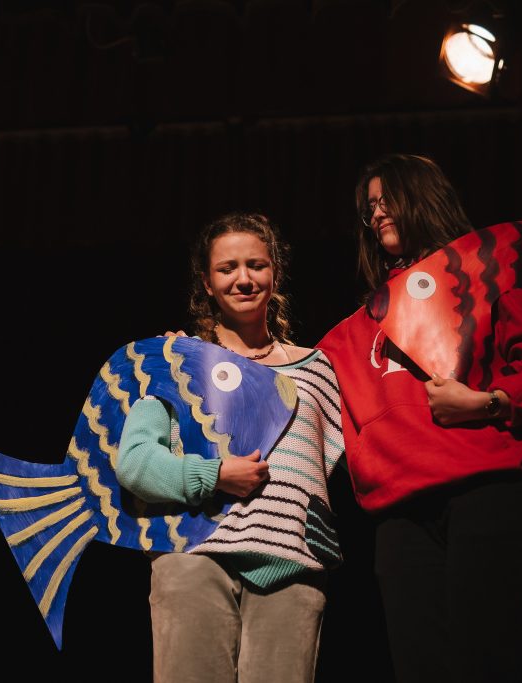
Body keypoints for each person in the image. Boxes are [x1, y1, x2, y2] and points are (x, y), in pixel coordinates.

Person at [317, 154, 522, 682]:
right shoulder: (352, 332)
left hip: (489, 492)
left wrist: (486, 402)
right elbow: (286, 385)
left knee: (485, 666)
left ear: (424, 198)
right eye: (370, 206)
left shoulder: (488, 281)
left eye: (388, 198)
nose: (377, 213)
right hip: (401, 517)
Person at [116, 212, 344, 683]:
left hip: (290, 562)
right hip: (194, 555)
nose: (243, 279)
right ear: (207, 281)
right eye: (227, 268)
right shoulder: (174, 362)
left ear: (275, 272)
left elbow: (328, 467)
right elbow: (135, 462)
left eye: (256, 265)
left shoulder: (318, 369)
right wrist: (214, 475)